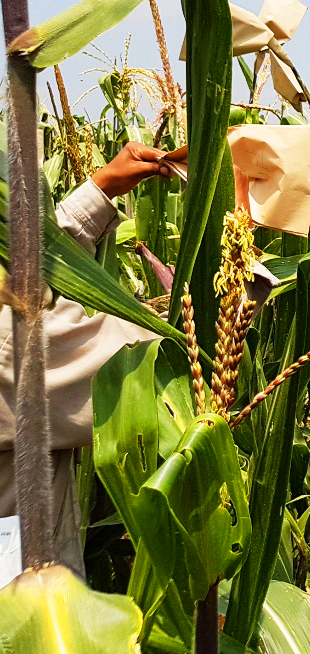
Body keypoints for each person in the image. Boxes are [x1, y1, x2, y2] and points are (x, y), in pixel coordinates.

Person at [0, 142, 169, 573]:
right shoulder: (14, 353)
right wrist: (240, 286)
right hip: (25, 600)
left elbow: (30, 268)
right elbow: (145, 361)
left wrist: (102, 187)